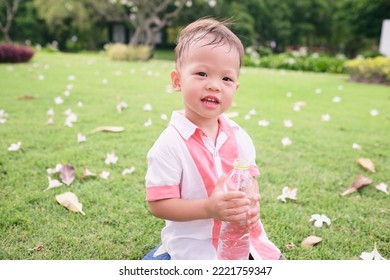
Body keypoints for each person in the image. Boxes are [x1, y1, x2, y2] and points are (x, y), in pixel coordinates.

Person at [143, 17, 283, 260]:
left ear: (235, 89)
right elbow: (159, 204)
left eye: (226, 79)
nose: (214, 85)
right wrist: (209, 208)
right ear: (177, 81)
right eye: (201, 73)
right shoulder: (169, 145)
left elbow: (248, 180)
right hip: (193, 248)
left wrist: (251, 200)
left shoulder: (239, 137)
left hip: (244, 243)